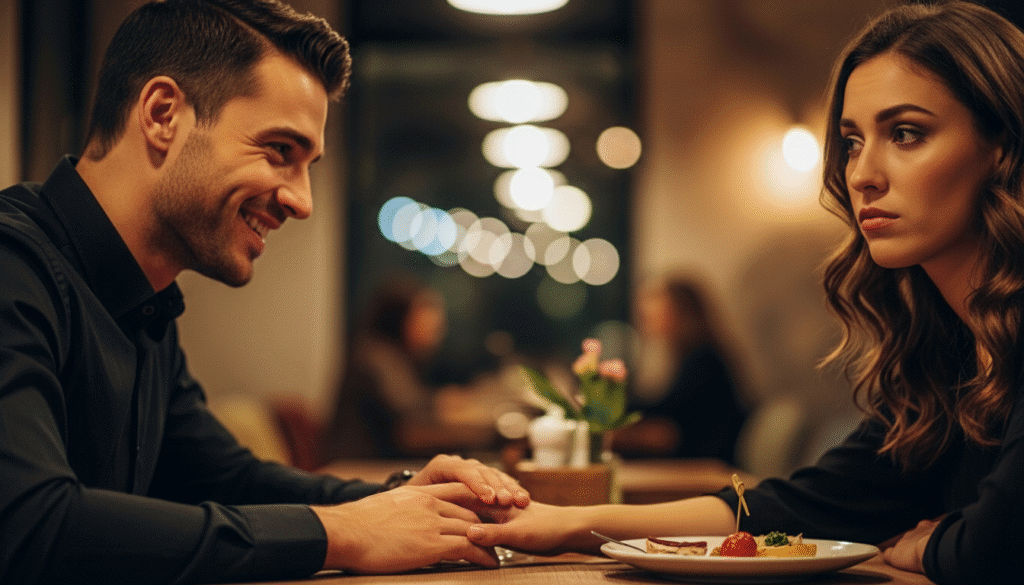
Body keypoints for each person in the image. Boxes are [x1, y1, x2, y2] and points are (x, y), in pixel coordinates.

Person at [465, 3, 1024, 583]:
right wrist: (569, 524)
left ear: (1003, 147)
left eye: (906, 134)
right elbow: (806, 504)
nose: (861, 174)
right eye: (853, 141)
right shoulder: (951, 352)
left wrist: (933, 548)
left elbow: (999, 546)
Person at [0, 1, 528, 583]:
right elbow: (30, 525)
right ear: (162, 114)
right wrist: (347, 532)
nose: (302, 201)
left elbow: (227, 480)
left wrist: (405, 501)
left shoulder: (144, 306)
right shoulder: (13, 265)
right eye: (280, 151)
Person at [324, 275, 497, 460]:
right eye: (427, 322)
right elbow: (409, 420)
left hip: (374, 460)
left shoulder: (389, 354)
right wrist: (443, 402)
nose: (438, 331)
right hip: (359, 465)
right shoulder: (377, 356)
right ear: (398, 318)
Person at [613, 275, 748, 463]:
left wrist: (615, 408)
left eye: (657, 311)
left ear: (679, 312)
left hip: (710, 463)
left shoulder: (703, 357)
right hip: (702, 457)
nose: (647, 319)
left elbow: (670, 409)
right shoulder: (695, 353)